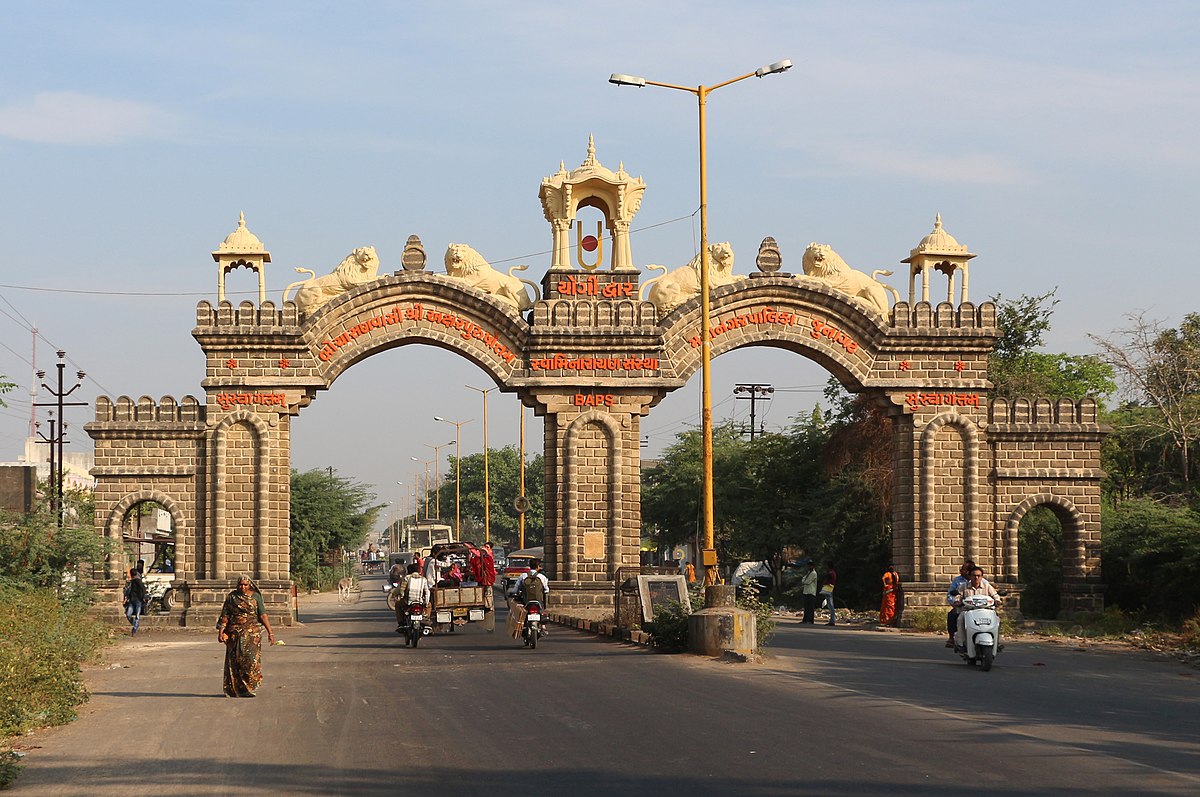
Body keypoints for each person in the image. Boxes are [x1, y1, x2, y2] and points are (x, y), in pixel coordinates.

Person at [216, 576, 276, 698]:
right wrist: (221, 632)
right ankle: (234, 689)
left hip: (252, 634)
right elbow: (225, 615)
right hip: (234, 634)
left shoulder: (255, 597)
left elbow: (263, 615)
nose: (242, 587)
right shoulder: (232, 597)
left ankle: (249, 687)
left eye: (245, 585)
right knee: (235, 661)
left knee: (250, 661)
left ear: (250, 585)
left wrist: (270, 632)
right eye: (240, 585)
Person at [952, 566, 1002, 646]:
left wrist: (997, 601)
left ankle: (997, 642)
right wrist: (957, 602)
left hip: (986, 612)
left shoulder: (987, 586)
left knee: (997, 620)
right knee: (960, 620)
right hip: (968, 612)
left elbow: (995, 595)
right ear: (970, 576)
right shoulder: (963, 586)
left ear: (982, 577)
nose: (976, 577)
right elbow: (958, 596)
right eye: (974, 575)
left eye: (979, 576)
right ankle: (961, 643)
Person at [945, 559, 975, 647]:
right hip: (963, 607)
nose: (961, 571)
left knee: (994, 616)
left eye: (964, 569)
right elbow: (951, 593)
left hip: (978, 607)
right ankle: (951, 638)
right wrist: (954, 602)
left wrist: (996, 600)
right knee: (952, 615)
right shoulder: (958, 581)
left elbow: (992, 593)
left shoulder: (981, 581)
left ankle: (995, 638)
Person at [470, 541, 497, 630]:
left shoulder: (489, 557)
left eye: (487, 547)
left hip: (487, 581)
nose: (485, 548)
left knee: (489, 601)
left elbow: (477, 555)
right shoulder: (481, 557)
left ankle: (489, 617)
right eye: (485, 546)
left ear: (490, 549)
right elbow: (475, 563)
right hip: (481, 580)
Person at [395, 563, 431, 632]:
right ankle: (426, 619)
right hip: (419, 602)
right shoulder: (423, 579)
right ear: (418, 570)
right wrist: (426, 602)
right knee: (429, 605)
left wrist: (401, 597)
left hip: (408, 602)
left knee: (398, 605)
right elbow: (427, 592)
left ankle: (401, 622)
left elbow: (401, 590)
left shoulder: (407, 578)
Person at [122, 567, 148, 635]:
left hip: (137, 600)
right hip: (133, 600)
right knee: (132, 615)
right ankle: (135, 625)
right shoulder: (133, 582)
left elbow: (142, 590)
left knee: (132, 615)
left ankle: (135, 627)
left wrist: (142, 597)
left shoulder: (137, 582)